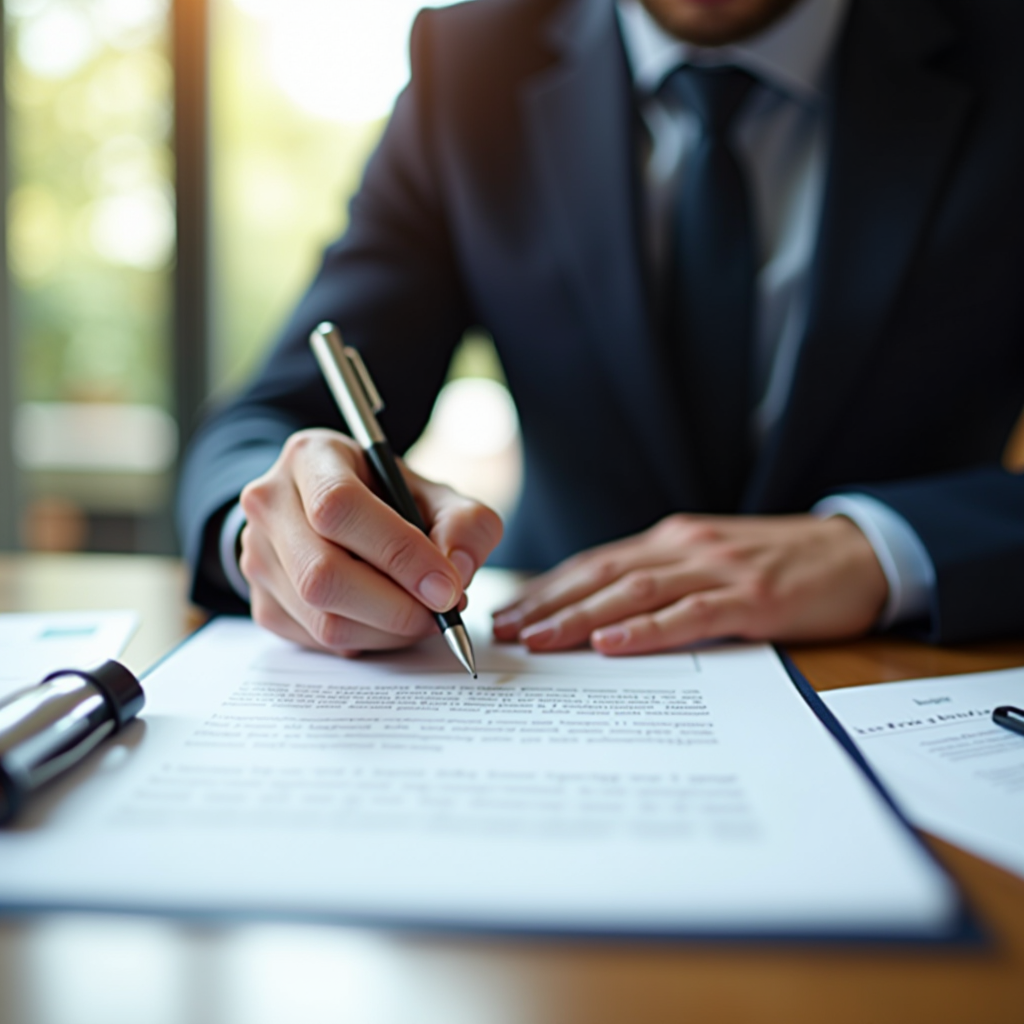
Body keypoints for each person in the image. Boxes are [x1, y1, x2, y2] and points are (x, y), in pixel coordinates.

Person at [178, 0, 1024, 660]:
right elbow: (266, 421)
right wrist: (279, 522)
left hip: (910, 664)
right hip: (561, 660)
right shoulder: (469, 65)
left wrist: (884, 552)